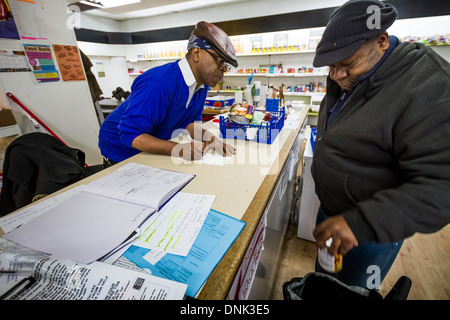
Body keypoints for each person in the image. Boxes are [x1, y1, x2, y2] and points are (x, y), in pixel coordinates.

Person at [311, 0, 450, 289]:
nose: (337, 75)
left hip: (369, 232)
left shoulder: (429, 86)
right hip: (333, 216)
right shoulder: (350, 72)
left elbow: (441, 188)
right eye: (331, 65)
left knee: (349, 291)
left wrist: (360, 223)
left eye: (346, 64)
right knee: (323, 285)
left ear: (382, 41)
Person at [98, 21, 237, 167]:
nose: (223, 70)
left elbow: (189, 123)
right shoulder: (158, 83)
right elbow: (130, 135)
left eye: (226, 65)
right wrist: (179, 149)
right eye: (220, 61)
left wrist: (211, 138)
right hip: (120, 150)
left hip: (147, 149)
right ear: (196, 53)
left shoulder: (201, 86)